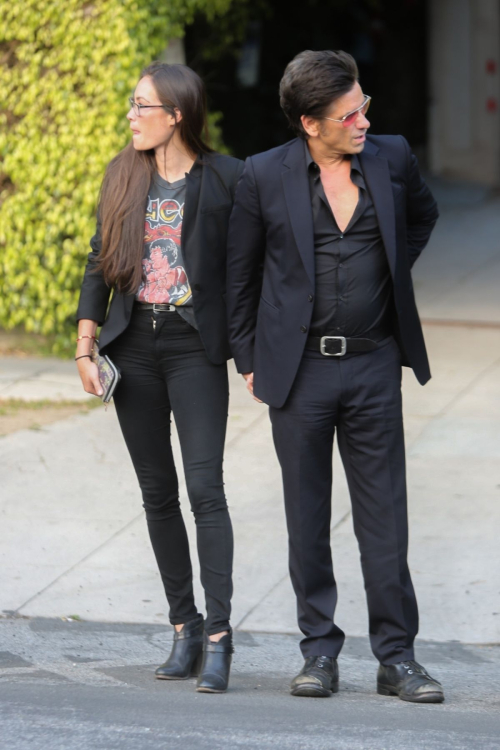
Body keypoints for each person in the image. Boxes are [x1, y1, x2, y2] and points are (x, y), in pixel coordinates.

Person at [227, 50, 444, 703]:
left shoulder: (393, 157)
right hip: (299, 372)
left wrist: (391, 274)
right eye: (349, 114)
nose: (363, 121)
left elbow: (423, 218)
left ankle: (397, 658)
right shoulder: (263, 175)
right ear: (308, 123)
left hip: (376, 362)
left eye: (364, 106)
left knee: (385, 517)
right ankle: (318, 651)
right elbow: (240, 277)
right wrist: (249, 358)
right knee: (307, 515)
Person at [76, 61, 243, 693]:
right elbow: (99, 262)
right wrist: (85, 349)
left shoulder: (227, 176)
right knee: (156, 493)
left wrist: (251, 346)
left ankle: (222, 636)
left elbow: (249, 265)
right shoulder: (123, 173)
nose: (130, 114)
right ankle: (185, 628)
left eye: (141, 104)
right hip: (134, 348)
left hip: (194, 347)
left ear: (176, 113)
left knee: (206, 489)